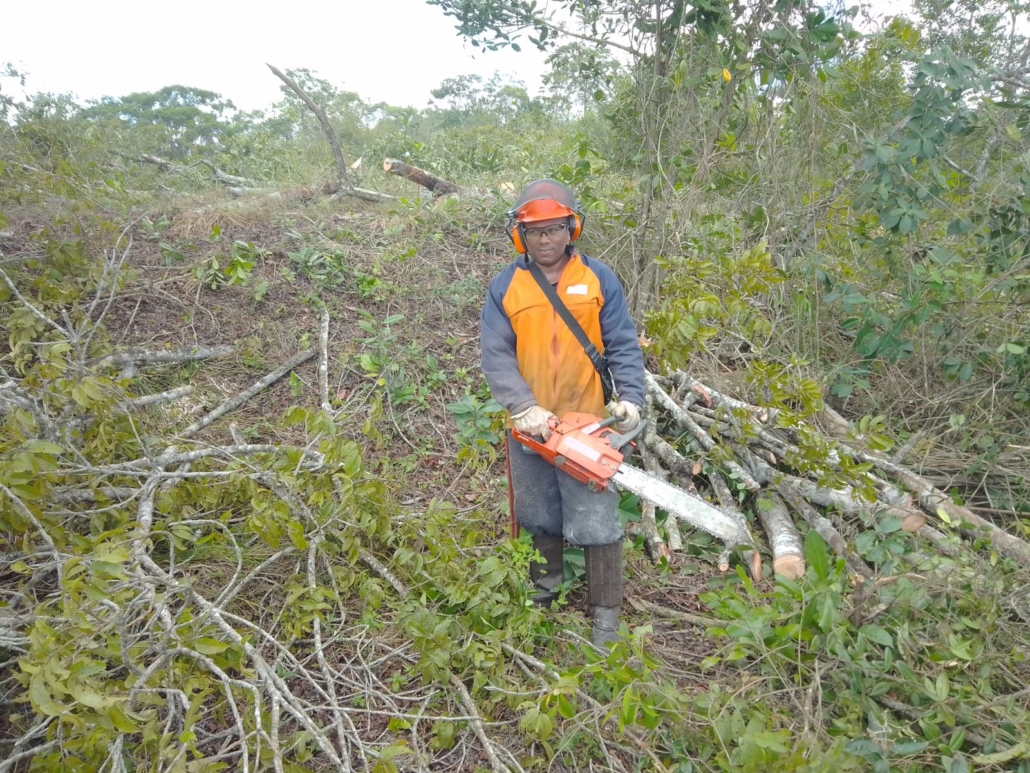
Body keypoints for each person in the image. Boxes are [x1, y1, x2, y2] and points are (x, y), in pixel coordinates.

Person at [480, 179, 646, 647]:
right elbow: (495, 353)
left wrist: (630, 397)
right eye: (535, 232)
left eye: (554, 229)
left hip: (590, 423)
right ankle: (542, 599)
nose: (545, 240)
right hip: (532, 427)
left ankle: (605, 617)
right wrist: (521, 404)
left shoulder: (599, 279)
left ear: (571, 228)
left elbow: (622, 344)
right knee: (537, 515)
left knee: (597, 521)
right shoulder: (506, 286)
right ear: (521, 236)